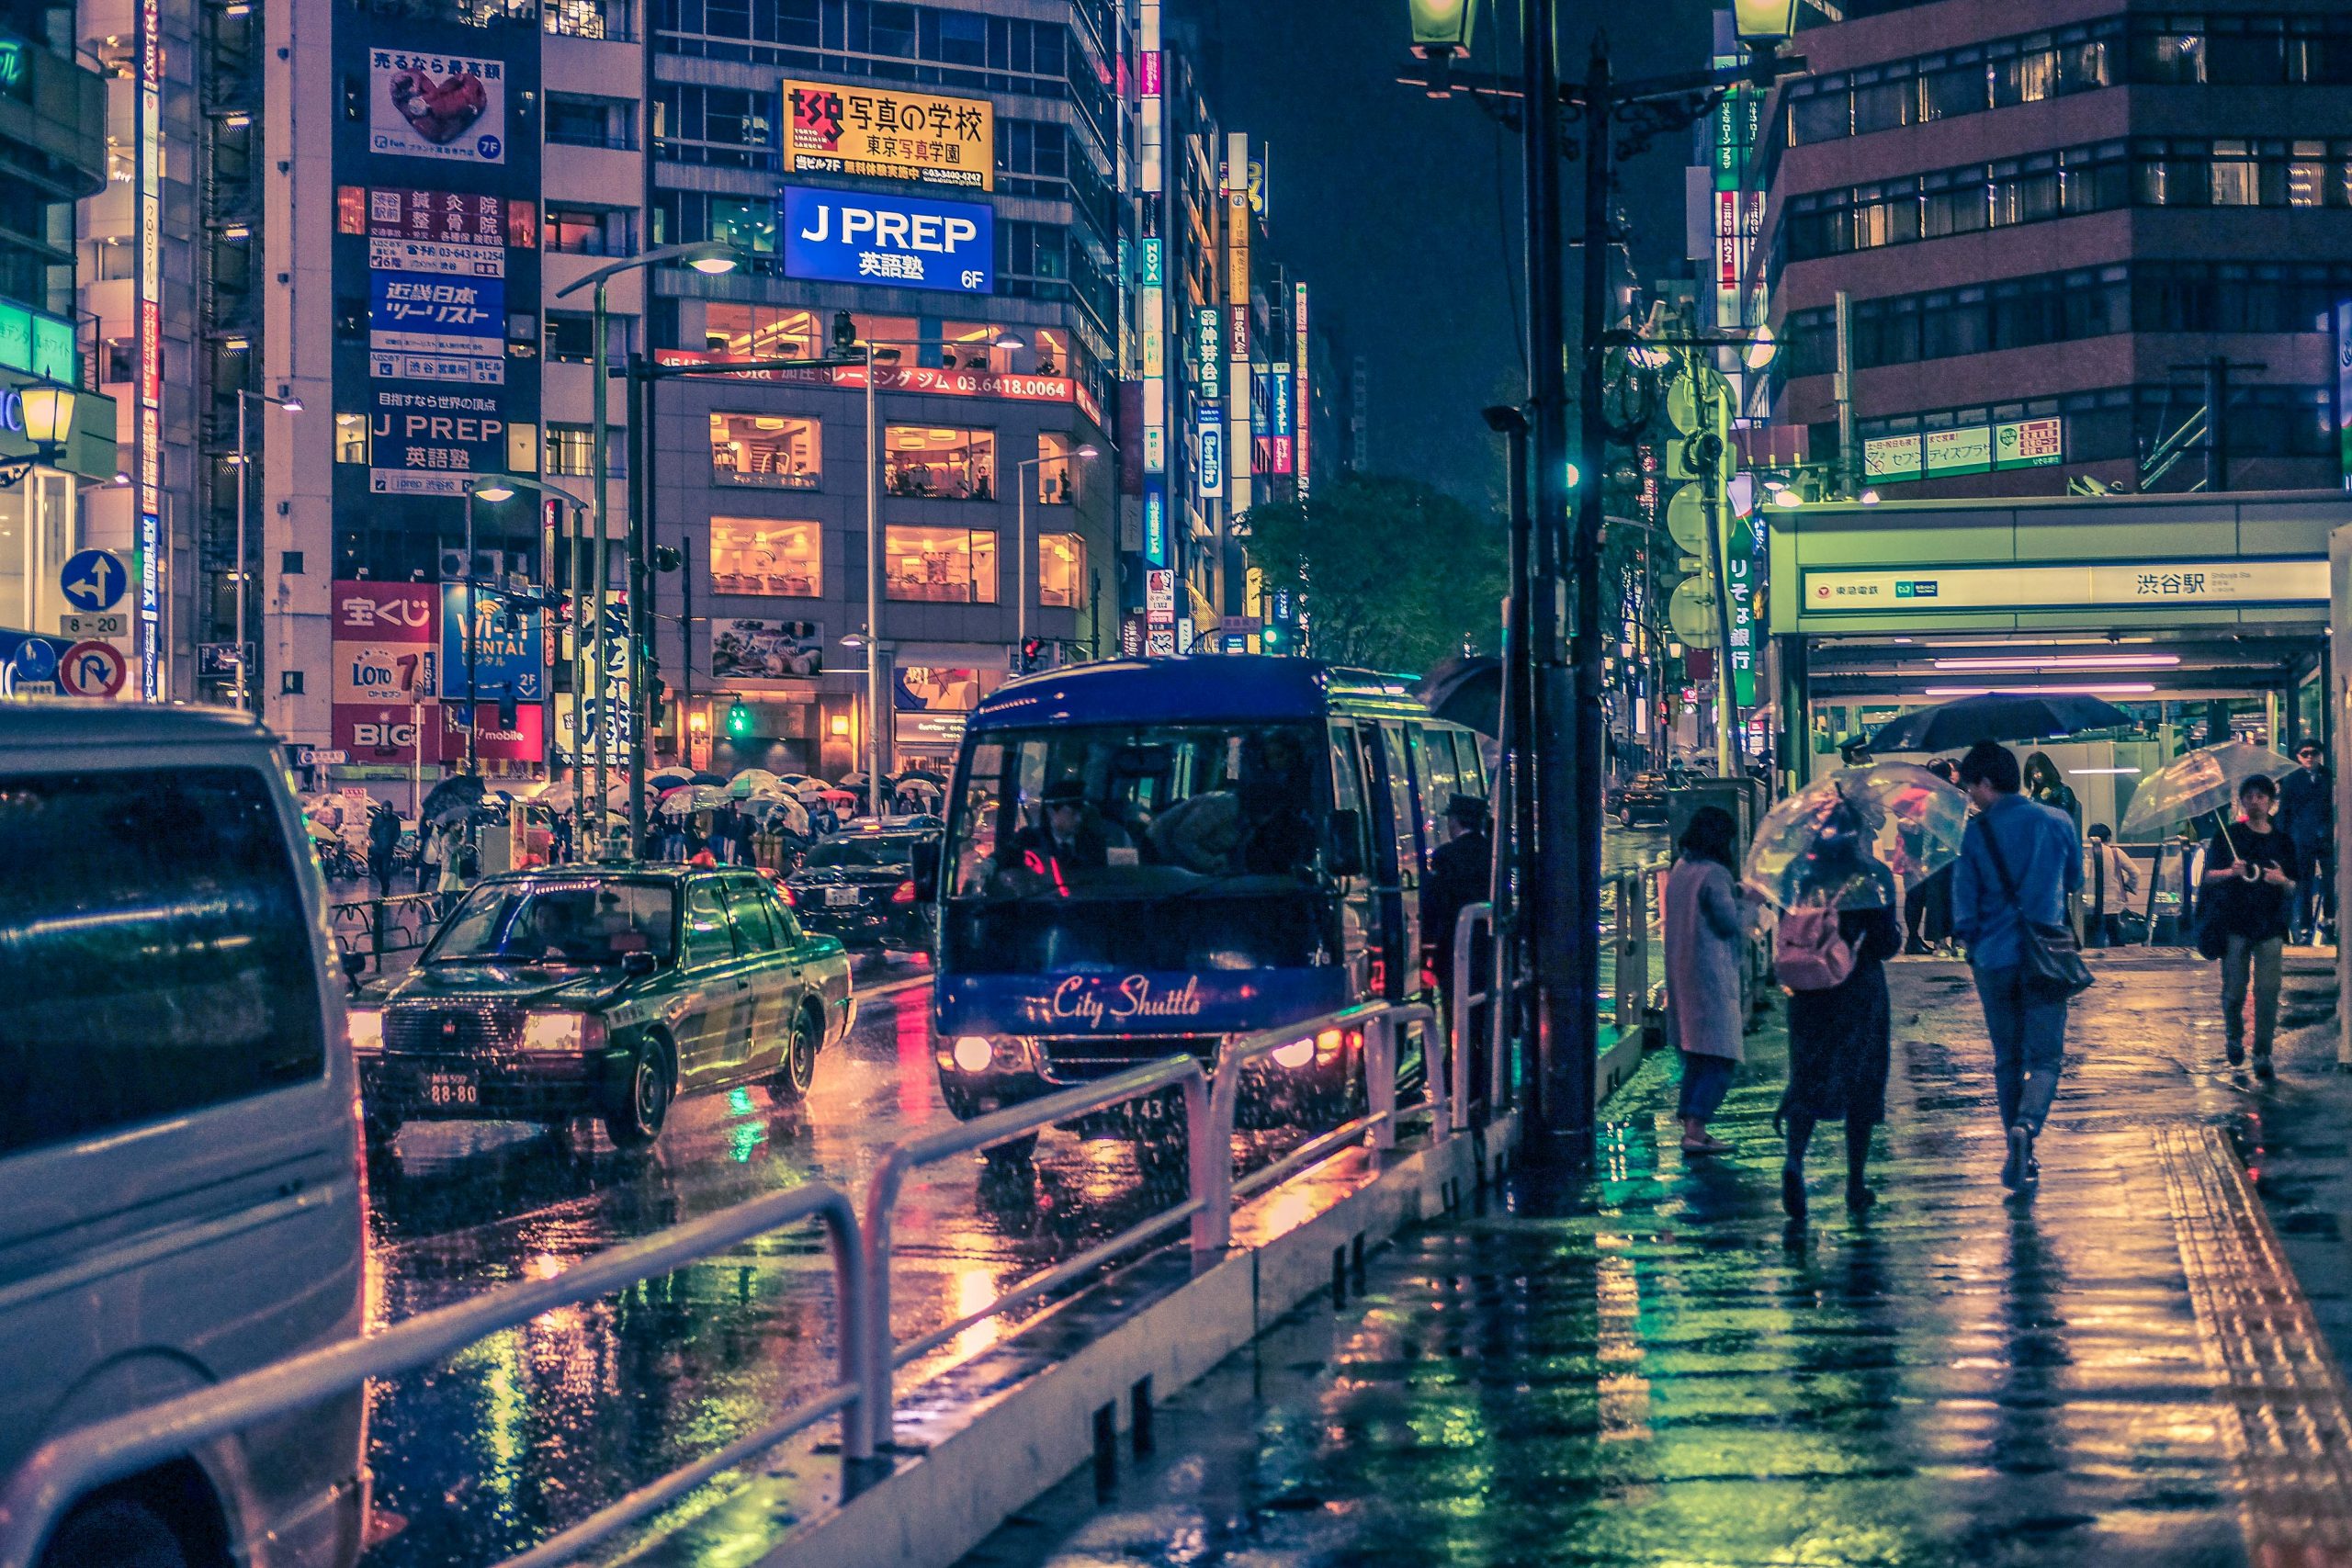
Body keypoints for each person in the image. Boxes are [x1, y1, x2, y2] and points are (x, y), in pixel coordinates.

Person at [1951, 741, 2083, 1191]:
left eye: (1971, 788)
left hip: (1994, 958)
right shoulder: (2058, 820)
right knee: (2045, 1058)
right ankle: (2027, 1126)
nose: (1971, 797)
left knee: (2007, 1059)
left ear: (1987, 783)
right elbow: (2074, 881)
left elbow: (1964, 904)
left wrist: (1972, 944)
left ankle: (2015, 1153)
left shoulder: (1975, 833)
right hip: (2047, 953)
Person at [1777, 804, 1903, 1221]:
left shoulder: (1798, 875)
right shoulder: (1872, 878)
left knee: (1808, 1072)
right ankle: (1854, 1183)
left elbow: (1787, 930)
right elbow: (1887, 943)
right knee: (1861, 1080)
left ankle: (1795, 1158)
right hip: (1858, 989)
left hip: (1808, 990)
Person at [1663, 806, 1755, 1156]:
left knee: (1696, 1054)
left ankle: (1692, 1129)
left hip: (1683, 974)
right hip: (1710, 977)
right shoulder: (1715, 874)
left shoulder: (1682, 868)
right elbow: (1729, 925)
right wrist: (1751, 904)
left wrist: (1736, 893)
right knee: (1720, 1056)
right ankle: (1697, 1128)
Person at [2203, 774, 2296, 1077]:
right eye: (2250, 796)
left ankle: (2262, 1053)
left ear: (2271, 802)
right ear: (2241, 801)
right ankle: (2233, 1036)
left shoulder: (2282, 841)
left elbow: (2296, 884)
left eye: (2261, 796)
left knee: (2268, 991)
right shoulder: (2227, 836)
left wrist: (2283, 882)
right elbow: (2207, 877)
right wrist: (2231, 871)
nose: (2255, 801)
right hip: (2234, 924)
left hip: (2270, 926)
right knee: (2234, 991)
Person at [2278, 739, 2334, 944]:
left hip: (2326, 836)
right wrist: (2283, 839)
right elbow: (2285, 810)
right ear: (2298, 757)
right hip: (2301, 838)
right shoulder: (2292, 779)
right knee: (2304, 882)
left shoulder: (2329, 776)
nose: (2310, 757)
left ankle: (2329, 919)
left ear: (2320, 754)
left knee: (2330, 879)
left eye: (2314, 753)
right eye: (2305, 754)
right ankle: (2305, 924)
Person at [2081, 824, 2141, 948]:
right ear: (2108, 837)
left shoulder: (2084, 853)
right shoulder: (2115, 852)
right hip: (2113, 904)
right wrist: (2129, 886)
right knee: (2116, 940)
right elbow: (2135, 872)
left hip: (2090, 904)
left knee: (2093, 941)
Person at [366, 800, 399, 898]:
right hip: (378, 848)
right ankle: (384, 885)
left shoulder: (395, 820)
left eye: (388, 811)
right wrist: (375, 839)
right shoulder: (377, 818)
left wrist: (392, 843)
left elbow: (397, 833)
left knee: (385, 870)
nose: (386, 813)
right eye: (385, 811)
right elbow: (372, 830)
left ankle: (385, 888)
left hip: (388, 850)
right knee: (379, 870)